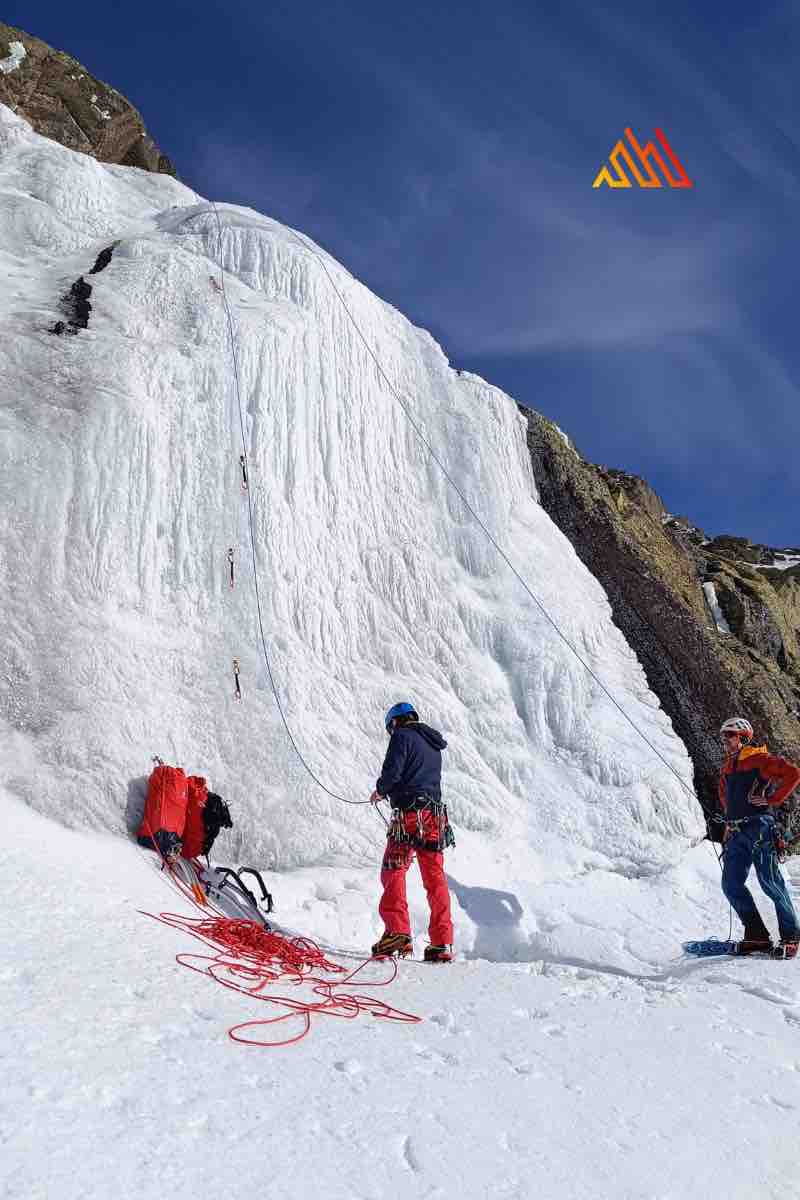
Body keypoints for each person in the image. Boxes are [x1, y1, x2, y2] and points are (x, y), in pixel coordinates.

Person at [369, 702, 454, 963]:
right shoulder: (432, 743)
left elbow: (393, 772)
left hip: (409, 816)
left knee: (393, 869)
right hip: (434, 818)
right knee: (435, 878)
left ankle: (397, 931)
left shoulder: (401, 737)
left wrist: (381, 790)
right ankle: (442, 943)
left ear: (395, 722)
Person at [718, 716, 800, 957]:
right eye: (724, 736)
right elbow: (725, 797)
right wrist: (728, 825)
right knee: (730, 884)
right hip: (735, 831)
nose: (725, 740)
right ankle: (757, 936)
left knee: (770, 883)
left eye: (729, 735)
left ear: (743, 737)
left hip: (759, 829)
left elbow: (793, 773)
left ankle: (791, 936)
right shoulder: (727, 766)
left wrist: (772, 800)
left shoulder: (759, 759)